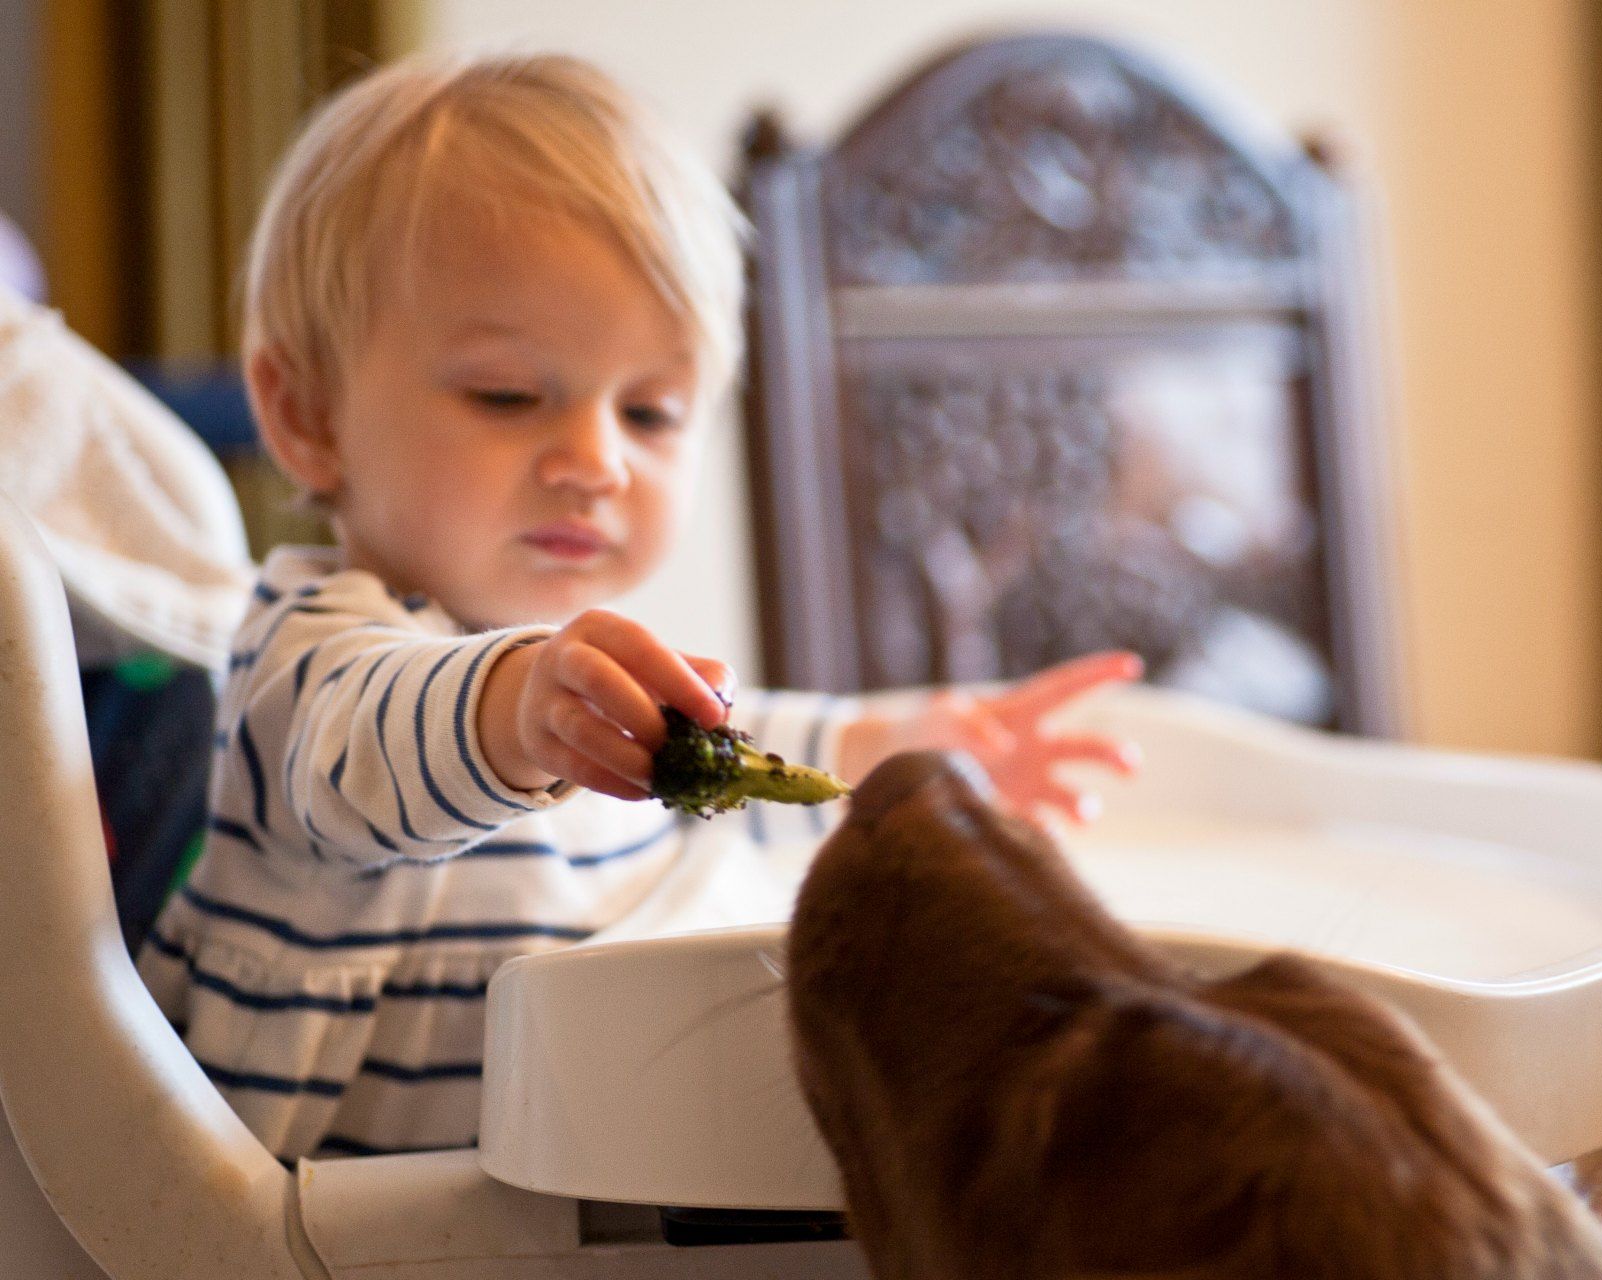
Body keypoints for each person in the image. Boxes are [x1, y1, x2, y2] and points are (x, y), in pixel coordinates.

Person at [136, 50, 1141, 1164]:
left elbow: (734, 770)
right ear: (307, 413)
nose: (595, 459)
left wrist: (888, 753)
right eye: (509, 395)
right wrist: (515, 708)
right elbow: (368, 750)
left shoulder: (590, 700)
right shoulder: (304, 652)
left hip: (574, 1224)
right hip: (332, 1279)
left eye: (654, 413)